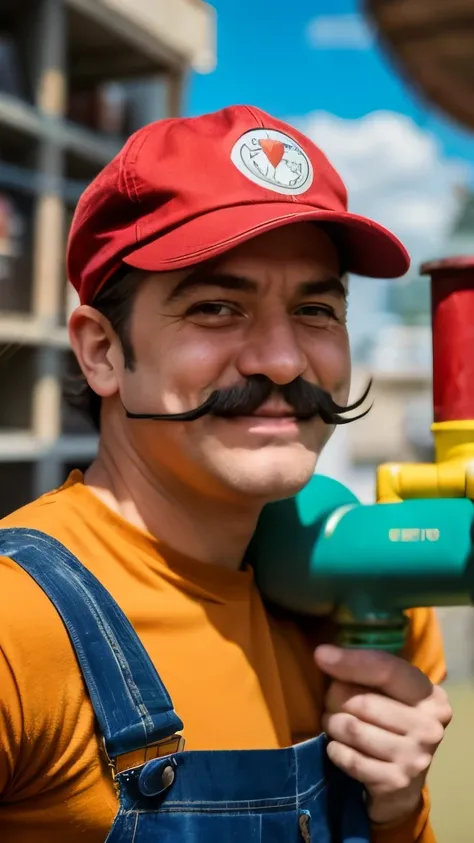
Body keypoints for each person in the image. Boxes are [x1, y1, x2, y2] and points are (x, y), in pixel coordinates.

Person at [0, 105, 451, 842]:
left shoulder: (375, 604)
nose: (281, 358)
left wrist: (399, 809)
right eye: (216, 307)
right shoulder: (17, 625)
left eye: (315, 307)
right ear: (102, 351)